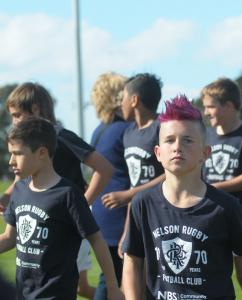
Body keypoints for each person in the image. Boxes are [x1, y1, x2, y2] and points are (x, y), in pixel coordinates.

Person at [122, 95, 242, 300]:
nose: (177, 147)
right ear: (158, 153)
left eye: (187, 140)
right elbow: (133, 260)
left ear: (205, 153)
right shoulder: (143, 203)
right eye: (169, 140)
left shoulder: (225, 207)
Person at [2, 82, 114, 299]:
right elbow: (20, 182)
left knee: (73, 283)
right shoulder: (25, 166)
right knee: (81, 286)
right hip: (35, 250)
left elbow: (104, 168)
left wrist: (79, 207)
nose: (14, 122)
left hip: (65, 225)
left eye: (17, 115)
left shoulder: (60, 136)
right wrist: (7, 195)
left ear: (35, 109)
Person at [201, 78, 242, 299]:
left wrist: (214, 187)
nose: (206, 112)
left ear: (228, 105)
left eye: (210, 106)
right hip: (209, 216)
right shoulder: (206, 135)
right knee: (211, 275)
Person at [100, 73, 165, 259]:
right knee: (133, 282)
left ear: (134, 100)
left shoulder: (162, 128)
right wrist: (127, 231)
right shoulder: (129, 133)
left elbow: (172, 174)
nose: (121, 104)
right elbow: (134, 184)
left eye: (123, 99)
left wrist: (129, 195)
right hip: (139, 216)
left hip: (163, 215)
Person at [90, 72, 131, 299]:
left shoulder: (98, 130)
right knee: (115, 282)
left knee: (109, 279)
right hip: (120, 217)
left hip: (101, 216)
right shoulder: (126, 130)